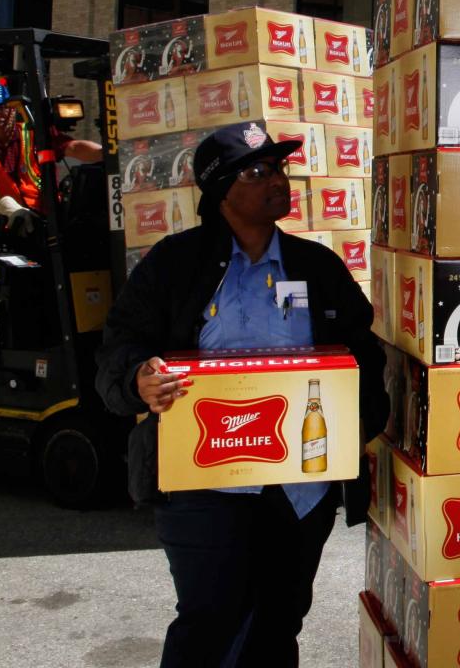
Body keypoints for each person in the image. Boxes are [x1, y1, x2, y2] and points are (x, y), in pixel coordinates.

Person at [94, 122, 383, 668]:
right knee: (210, 617)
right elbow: (117, 350)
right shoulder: (173, 265)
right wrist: (138, 379)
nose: (277, 180)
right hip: (202, 488)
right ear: (221, 191)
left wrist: (355, 429)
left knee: (280, 621)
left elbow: (364, 357)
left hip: (300, 491)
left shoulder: (317, 267)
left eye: (280, 169)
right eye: (259, 171)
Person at [0, 81, 104, 234]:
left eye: (1, 109)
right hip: (6, 229)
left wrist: (108, 154)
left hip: (48, 223)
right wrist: (2, 205)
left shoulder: (35, 132)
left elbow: (73, 147)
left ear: (12, 108)